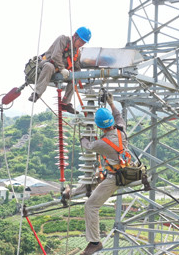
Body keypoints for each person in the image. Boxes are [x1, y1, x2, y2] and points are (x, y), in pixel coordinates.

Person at [62, 93, 130, 255]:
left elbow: (88, 145)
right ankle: (70, 194)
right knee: (92, 180)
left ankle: (94, 242)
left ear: (100, 127)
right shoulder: (121, 130)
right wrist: (112, 104)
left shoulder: (102, 143)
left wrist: (84, 135)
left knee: (91, 205)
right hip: (124, 170)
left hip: (115, 178)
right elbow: (118, 116)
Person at [28, 26, 91, 114]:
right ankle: (37, 93)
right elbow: (55, 55)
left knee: (76, 76)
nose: (81, 44)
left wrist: (78, 75)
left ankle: (65, 103)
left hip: (61, 71)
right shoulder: (63, 39)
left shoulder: (77, 52)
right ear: (75, 36)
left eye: (84, 42)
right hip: (48, 64)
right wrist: (62, 69)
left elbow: (76, 67)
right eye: (80, 41)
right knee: (49, 66)